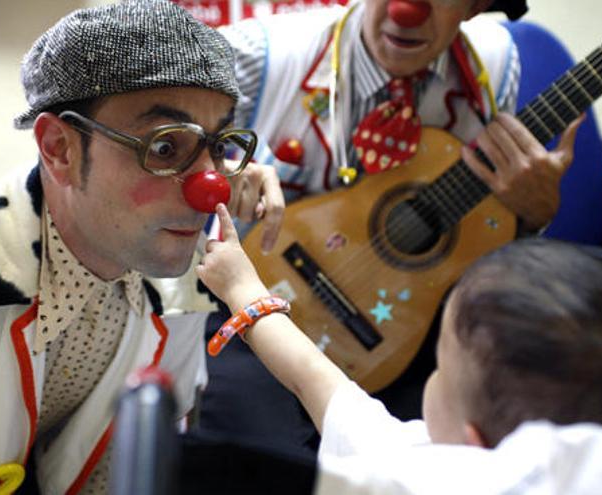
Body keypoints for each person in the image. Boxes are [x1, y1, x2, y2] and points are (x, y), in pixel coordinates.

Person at [0, 1, 284, 493]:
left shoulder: (183, 289)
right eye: (164, 146)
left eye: (220, 146)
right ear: (59, 149)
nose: (212, 187)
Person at [197, 0, 582, 449]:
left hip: (400, 328)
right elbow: (157, 150)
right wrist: (218, 170)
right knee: (255, 460)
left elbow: (486, 224)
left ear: (476, 8)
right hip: (255, 300)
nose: (406, 11)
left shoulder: (495, 64)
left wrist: (531, 213)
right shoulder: (261, 53)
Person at [197, 203, 602, 494]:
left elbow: (314, 378)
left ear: (474, 451)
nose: (432, 378)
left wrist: (240, 288)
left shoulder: (419, 475)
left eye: (440, 370)